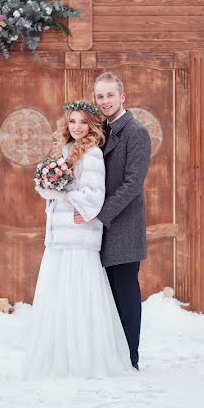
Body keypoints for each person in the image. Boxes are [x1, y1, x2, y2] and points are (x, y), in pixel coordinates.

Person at [22, 100, 132, 379]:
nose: (77, 127)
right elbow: (57, 189)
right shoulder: (63, 151)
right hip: (59, 235)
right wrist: (49, 188)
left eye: (83, 122)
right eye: (73, 121)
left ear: (92, 125)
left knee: (80, 297)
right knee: (58, 298)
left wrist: (64, 195)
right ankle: (60, 358)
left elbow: (94, 196)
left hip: (79, 235)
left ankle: (85, 359)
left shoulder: (92, 154)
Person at [75, 71, 151, 371]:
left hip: (124, 226)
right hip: (101, 228)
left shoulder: (136, 132)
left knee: (125, 292)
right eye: (100, 96)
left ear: (123, 97)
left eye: (110, 95)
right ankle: (111, 355)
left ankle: (130, 357)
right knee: (105, 295)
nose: (105, 101)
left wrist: (99, 213)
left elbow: (133, 184)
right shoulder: (100, 132)